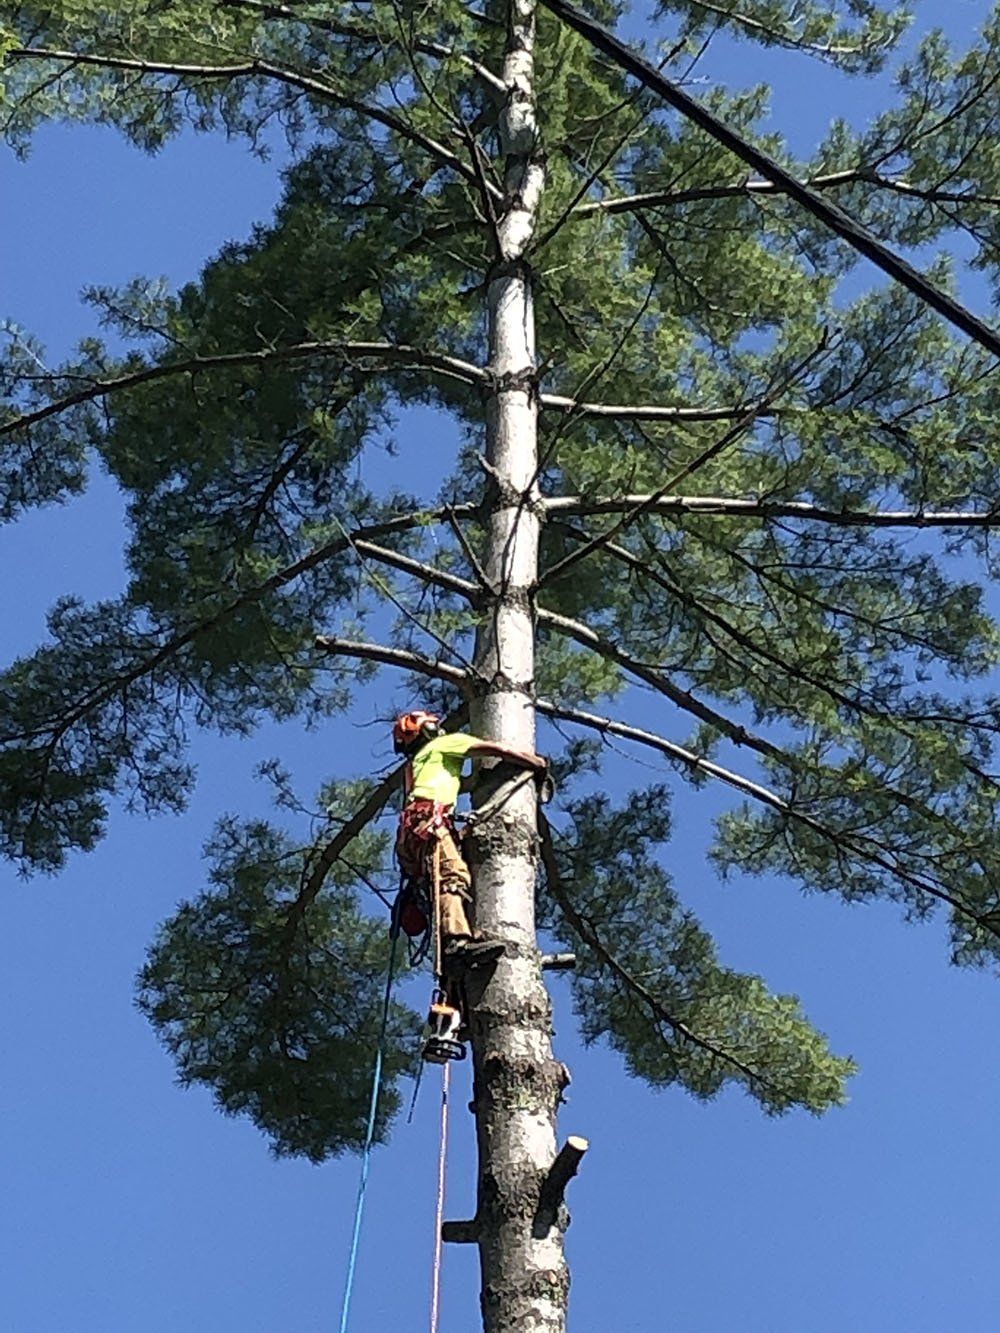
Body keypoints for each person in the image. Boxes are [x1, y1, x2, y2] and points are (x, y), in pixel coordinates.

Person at [393, 710, 546, 965]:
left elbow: (457, 783)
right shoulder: (445, 744)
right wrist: (533, 762)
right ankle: (456, 943)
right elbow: (496, 750)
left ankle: (455, 942)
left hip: (410, 835)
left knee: (437, 879)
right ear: (429, 731)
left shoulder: (416, 765)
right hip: (430, 822)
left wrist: (477, 780)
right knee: (452, 877)